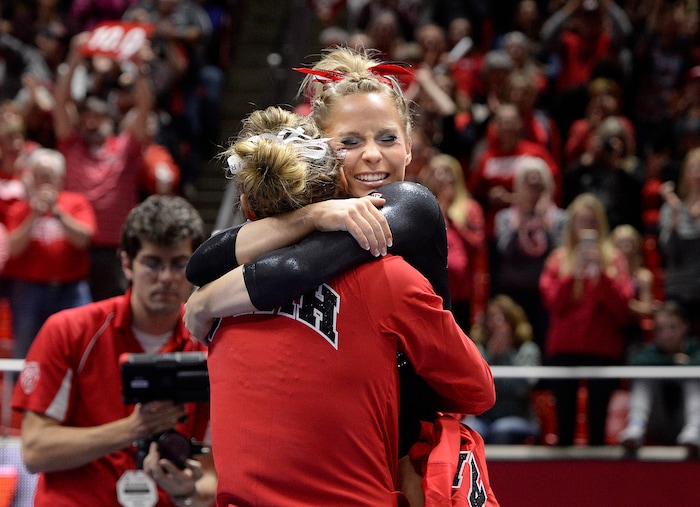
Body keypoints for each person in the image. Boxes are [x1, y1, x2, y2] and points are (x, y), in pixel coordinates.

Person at [185, 47, 499, 505]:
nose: (372, 155)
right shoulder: (379, 275)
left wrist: (205, 302)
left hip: (398, 457)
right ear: (321, 150)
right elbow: (202, 261)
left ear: (411, 146)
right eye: (349, 142)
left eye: (388, 138)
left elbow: (222, 269)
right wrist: (311, 216)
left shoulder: (411, 207)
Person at [11, 195, 215, 507]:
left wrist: (187, 491)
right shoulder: (70, 331)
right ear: (126, 264)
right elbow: (36, 450)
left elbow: (214, 474)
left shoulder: (209, 342)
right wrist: (132, 429)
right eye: (152, 263)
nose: (165, 277)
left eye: (178, 264)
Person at [53, 30, 154, 301]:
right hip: (74, 244)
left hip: (115, 247)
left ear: (108, 121)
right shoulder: (71, 145)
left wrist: (139, 69)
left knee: (112, 311)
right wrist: (75, 58)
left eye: (97, 117)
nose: (91, 122)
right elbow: (60, 103)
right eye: (86, 117)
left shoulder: (124, 147)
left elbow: (144, 108)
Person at [539, 192, 634, 446]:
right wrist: (573, 275)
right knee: (564, 424)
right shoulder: (558, 260)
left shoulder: (613, 260)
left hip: (601, 349)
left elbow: (622, 308)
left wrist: (602, 275)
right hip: (564, 349)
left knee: (597, 422)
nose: (585, 228)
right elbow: (553, 303)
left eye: (591, 221)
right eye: (580, 221)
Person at [3, 148, 95, 359]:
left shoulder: (76, 202)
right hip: (29, 290)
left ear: (60, 179)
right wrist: (33, 216)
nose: (43, 182)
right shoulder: (20, 208)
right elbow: (13, 248)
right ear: (31, 179)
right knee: (26, 351)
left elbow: (84, 240)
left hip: (71, 289)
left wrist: (58, 212)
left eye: (48, 176)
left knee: (81, 346)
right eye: (39, 176)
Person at [494, 155, 567, 349]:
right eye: (529, 186)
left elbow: (560, 255)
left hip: (545, 295)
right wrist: (522, 220)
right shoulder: (506, 218)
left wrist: (544, 222)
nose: (533, 192)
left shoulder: (559, 219)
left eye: (539, 187)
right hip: (514, 292)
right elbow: (505, 251)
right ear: (518, 188)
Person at [618, 301, 700, 456]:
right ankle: (636, 427)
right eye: (660, 329)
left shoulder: (696, 349)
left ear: (685, 327)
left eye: (673, 327)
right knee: (644, 376)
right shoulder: (649, 352)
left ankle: (694, 428)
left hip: (687, 421)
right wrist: (675, 361)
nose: (666, 335)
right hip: (658, 422)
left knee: (694, 375)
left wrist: (682, 365)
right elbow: (635, 363)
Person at [465, 294, 542, 445]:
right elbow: (474, 387)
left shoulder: (527, 350)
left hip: (519, 416)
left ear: (513, 320)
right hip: (484, 417)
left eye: (503, 317)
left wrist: (506, 355)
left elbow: (522, 389)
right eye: (492, 317)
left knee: (502, 430)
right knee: (469, 430)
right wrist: (492, 355)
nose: (497, 322)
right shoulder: (478, 349)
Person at [658, 147, 700, 338]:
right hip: (679, 290)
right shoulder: (671, 208)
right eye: (694, 168)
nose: (698, 174)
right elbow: (670, 251)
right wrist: (675, 214)